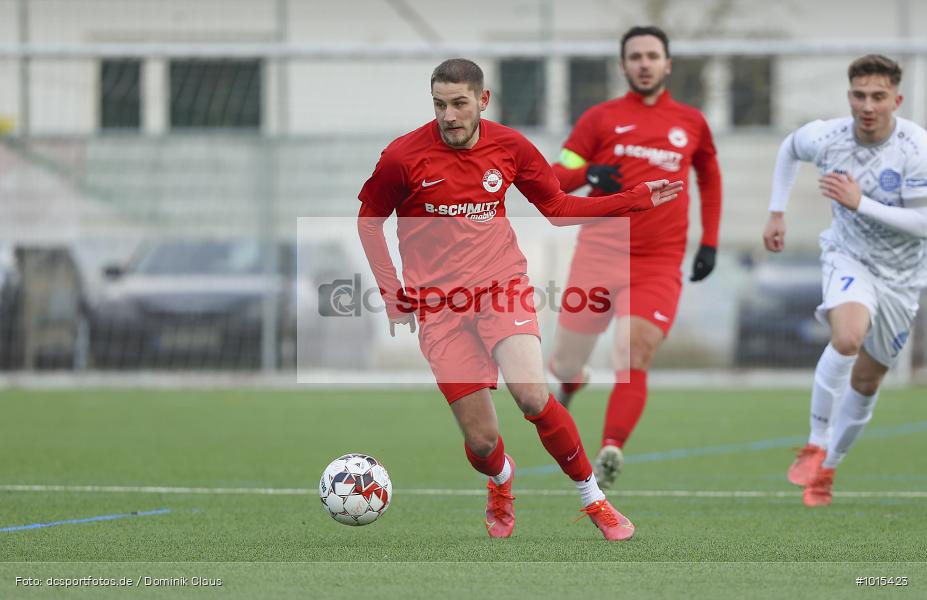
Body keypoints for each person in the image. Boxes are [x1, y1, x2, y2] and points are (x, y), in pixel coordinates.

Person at [356, 58, 682, 540]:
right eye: (440, 105)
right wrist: (391, 293)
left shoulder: (509, 147)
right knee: (482, 442)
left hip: (500, 287)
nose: (449, 116)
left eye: (459, 104)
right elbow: (369, 221)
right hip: (439, 310)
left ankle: (594, 498)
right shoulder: (403, 158)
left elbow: (559, 208)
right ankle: (501, 480)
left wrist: (632, 200)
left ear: (482, 101)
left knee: (531, 394)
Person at [546, 26, 722, 489]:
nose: (644, 63)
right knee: (563, 362)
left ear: (668, 64)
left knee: (633, 351)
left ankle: (610, 448)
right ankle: (571, 381)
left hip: (658, 261)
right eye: (635, 57)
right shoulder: (598, 120)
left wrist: (710, 241)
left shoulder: (692, 123)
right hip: (599, 255)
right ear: (623, 66)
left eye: (652, 55)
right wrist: (588, 172)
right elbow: (554, 180)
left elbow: (709, 175)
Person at [763, 54, 927, 507]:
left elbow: (922, 224)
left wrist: (860, 203)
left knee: (869, 382)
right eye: (859, 95)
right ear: (849, 95)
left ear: (897, 99)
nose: (867, 105)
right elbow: (789, 148)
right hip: (847, 256)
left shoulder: (916, 148)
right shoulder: (829, 137)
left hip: (903, 275)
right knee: (848, 337)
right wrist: (777, 212)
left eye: (878, 97)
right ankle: (815, 443)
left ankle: (829, 466)